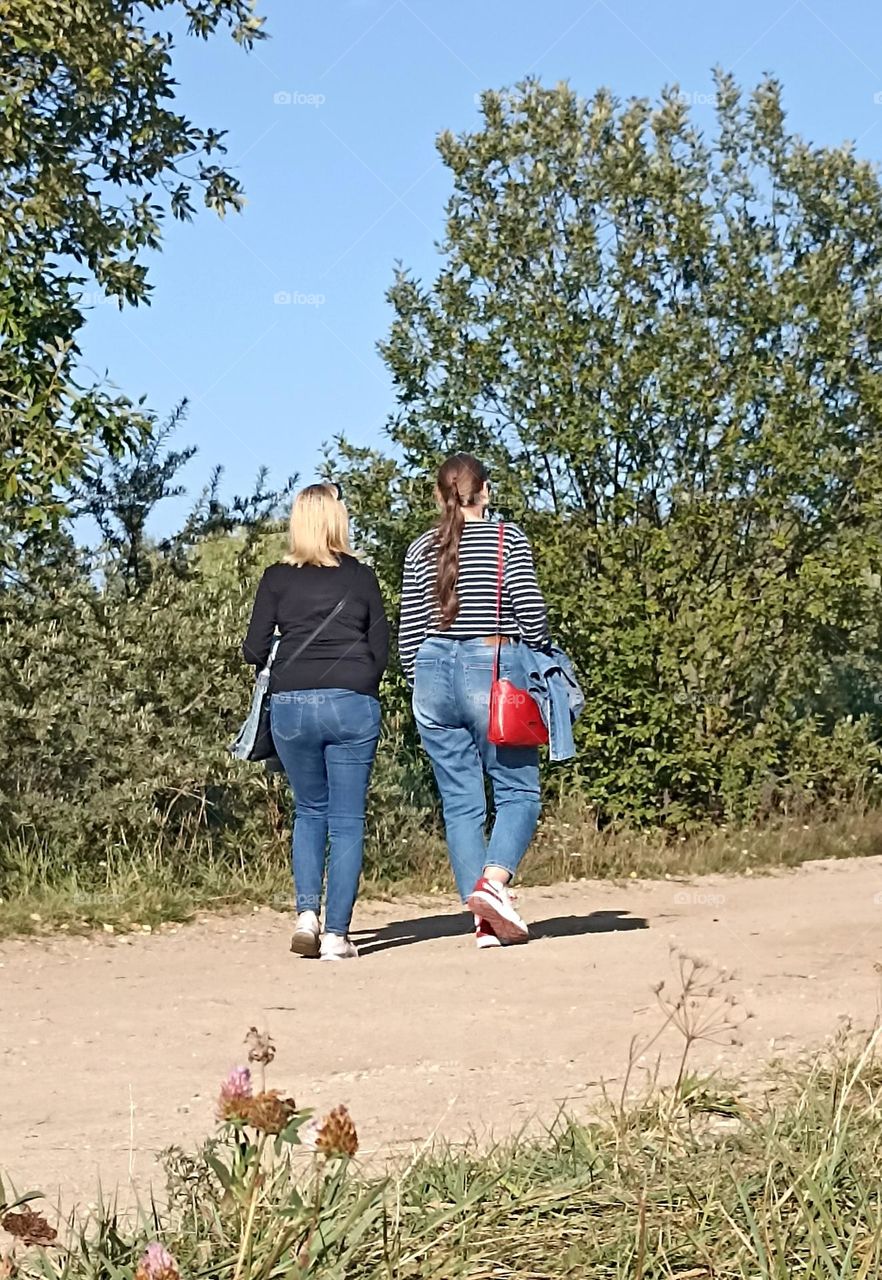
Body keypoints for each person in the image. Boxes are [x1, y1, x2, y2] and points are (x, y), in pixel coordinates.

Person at [398, 453, 550, 949]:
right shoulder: (509, 540)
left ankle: (483, 922)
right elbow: (532, 618)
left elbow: (408, 638)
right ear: (485, 490)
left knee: (461, 803)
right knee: (518, 791)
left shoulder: (421, 547)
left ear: (441, 495)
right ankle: (494, 885)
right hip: (491, 665)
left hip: (430, 673)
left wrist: (422, 677)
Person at [243, 483, 389, 961]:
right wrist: (358, 677)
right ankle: (337, 937)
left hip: (291, 705)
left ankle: (306, 915)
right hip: (351, 700)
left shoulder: (276, 578)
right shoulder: (362, 577)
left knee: (309, 811)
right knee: (347, 820)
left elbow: (252, 649)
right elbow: (382, 648)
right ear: (337, 520)